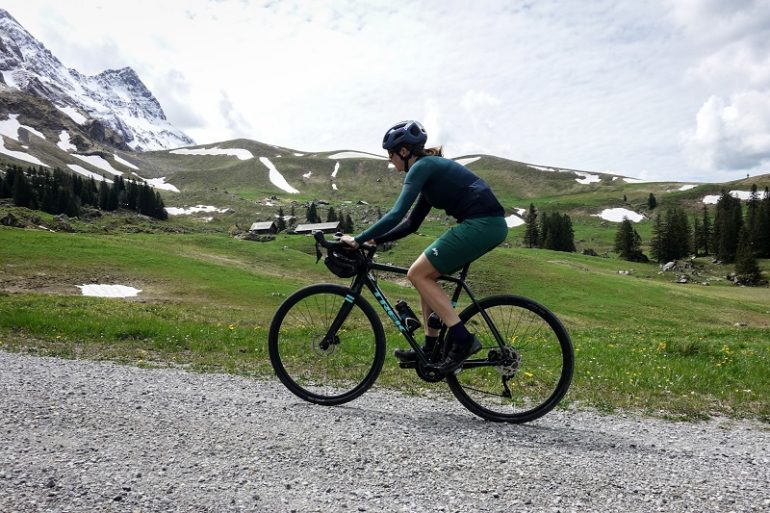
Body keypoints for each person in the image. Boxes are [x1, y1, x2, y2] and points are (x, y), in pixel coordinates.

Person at [340, 120, 508, 373]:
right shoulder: (430, 172)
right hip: (486, 224)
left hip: (482, 224)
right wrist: (377, 239)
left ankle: (462, 340)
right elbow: (410, 223)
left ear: (405, 152)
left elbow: (397, 213)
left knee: (416, 273)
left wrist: (359, 239)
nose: (390, 161)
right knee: (425, 275)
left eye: (391, 154)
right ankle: (430, 348)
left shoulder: (422, 167)